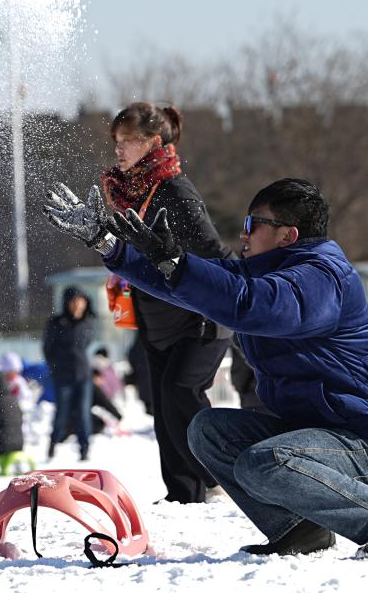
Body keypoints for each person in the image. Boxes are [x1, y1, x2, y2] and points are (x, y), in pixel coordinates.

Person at [43, 176, 368, 556]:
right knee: (208, 430)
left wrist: (179, 264)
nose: (244, 234)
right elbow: (188, 284)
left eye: (254, 224)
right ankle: (301, 530)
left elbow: (254, 304)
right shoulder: (263, 273)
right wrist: (110, 245)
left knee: (264, 462)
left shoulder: (322, 279)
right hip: (315, 439)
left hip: (367, 447)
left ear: (288, 235)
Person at [98, 103, 232, 503]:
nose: (119, 151)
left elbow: (213, 254)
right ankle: (182, 491)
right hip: (156, 319)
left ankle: (216, 477)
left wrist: (176, 262)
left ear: (153, 142)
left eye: (128, 142)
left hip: (198, 318)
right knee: (164, 406)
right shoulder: (128, 195)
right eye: (116, 142)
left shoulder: (174, 191)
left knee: (181, 393)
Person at [42, 287, 95, 461]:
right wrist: (55, 368)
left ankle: (84, 448)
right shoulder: (56, 323)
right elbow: (47, 349)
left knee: (84, 413)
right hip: (63, 376)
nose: (78, 305)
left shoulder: (87, 323)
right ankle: (53, 443)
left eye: (81, 301)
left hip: (83, 375)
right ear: (67, 302)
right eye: (74, 301)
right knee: (62, 413)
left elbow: (84, 345)